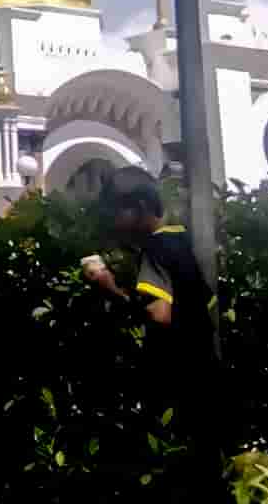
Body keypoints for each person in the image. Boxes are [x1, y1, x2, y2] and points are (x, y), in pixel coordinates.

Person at [82, 167, 217, 442]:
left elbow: (159, 315)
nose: (115, 223)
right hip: (204, 373)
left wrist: (111, 289)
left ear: (141, 207)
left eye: (118, 213)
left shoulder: (156, 250)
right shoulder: (181, 239)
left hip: (176, 382)